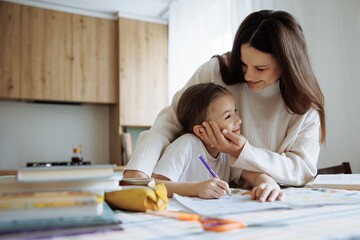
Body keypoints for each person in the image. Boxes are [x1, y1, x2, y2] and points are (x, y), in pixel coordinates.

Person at [124, 10, 326, 187]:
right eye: (243, 64)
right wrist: (138, 170)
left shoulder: (305, 107)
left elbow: (303, 169)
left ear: (286, 64)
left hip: (266, 195)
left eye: (260, 69)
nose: (247, 76)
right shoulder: (216, 71)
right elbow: (170, 120)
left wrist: (244, 152)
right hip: (213, 193)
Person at [152, 83, 284, 202]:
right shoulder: (186, 145)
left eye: (235, 112)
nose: (238, 121)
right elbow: (155, 184)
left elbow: (255, 176)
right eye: (228, 116)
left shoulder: (226, 151)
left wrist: (268, 185)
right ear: (201, 131)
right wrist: (196, 189)